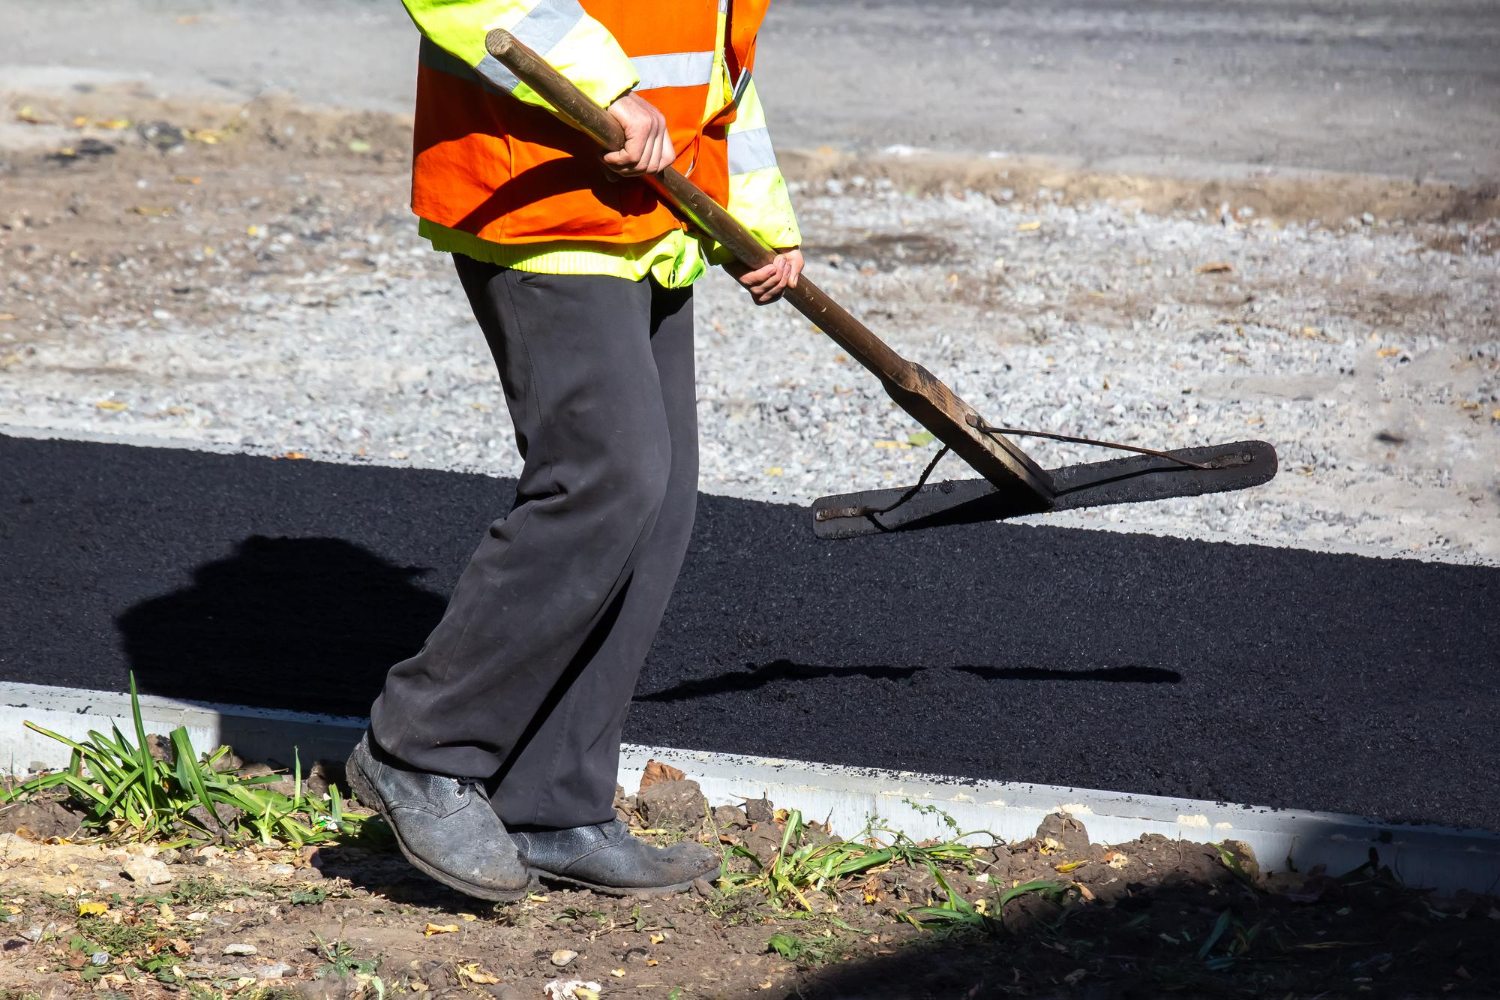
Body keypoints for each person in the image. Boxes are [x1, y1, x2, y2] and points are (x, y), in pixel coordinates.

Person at [345, 0, 803, 900]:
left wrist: (752, 206)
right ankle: (419, 748)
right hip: (543, 194)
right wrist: (611, 88)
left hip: (658, 204)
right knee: (608, 476)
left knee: (659, 504)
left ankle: (554, 804)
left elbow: (717, 59)